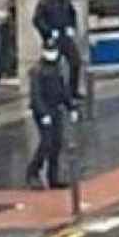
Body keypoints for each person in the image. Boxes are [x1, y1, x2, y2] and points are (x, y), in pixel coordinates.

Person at [26, 41, 75, 189]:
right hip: (43, 110)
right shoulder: (37, 70)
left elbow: (63, 89)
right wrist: (43, 113)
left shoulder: (58, 68)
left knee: (57, 143)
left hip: (56, 108)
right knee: (46, 142)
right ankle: (33, 172)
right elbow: (36, 94)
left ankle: (53, 177)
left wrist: (71, 106)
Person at [33, 0, 83, 99]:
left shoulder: (65, 0)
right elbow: (37, 20)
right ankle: (53, 93)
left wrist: (72, 26)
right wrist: (48, 32)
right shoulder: (44, 3)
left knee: (75, 62)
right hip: (52, 39)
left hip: (65, 36)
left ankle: (73, 90)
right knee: (51, 67)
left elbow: (72, 14)